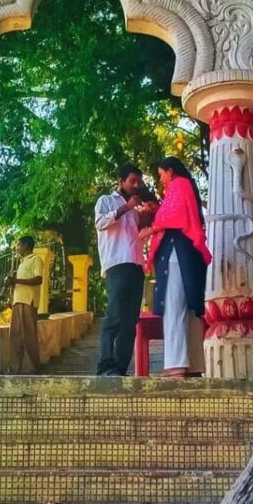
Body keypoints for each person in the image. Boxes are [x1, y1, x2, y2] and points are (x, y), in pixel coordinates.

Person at [140, 157, 211, 377]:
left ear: (170, 171)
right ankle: (194, 364)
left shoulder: (178, 184)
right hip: (185, 253)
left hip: (176, 254)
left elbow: (175, 216)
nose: (160, 179)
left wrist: (151, 229)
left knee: (174, 309)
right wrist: (157, 210)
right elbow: (174, 214)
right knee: (187, 310)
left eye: (161, 174)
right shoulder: (185, 186)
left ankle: (176, 364)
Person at [94, 163, 158, 377]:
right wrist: (126, 207)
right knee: (115, 316)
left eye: (138, 181)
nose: (136, 185)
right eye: (132, 181)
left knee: (130, 321)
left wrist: (147, 216)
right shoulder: (106, 201)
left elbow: (137, 234)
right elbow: (100, 223)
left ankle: (120, 369)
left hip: (135, 265)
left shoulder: (134, 211)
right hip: (117, 265)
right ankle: (105, 366)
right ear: (120, 181)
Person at [6, 236, 44, 374]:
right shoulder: (21, 262)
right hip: (17, 302)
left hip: (28, 302)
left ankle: (35, 369)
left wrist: (16, 280)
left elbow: (38, 279)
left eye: (19, 244)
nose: (17, 247)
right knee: (15, 336)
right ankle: (14, 370)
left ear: (27, 245)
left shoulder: (36, 259)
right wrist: (13, 283)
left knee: (29, 337)